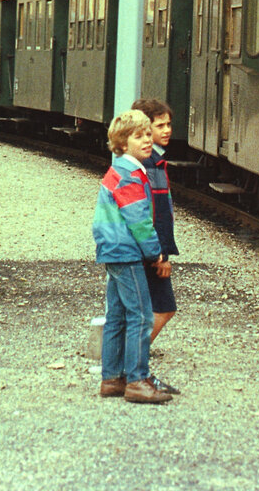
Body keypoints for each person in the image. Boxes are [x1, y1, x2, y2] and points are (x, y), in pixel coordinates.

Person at [92, 109, 173, 404]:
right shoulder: (130, 176)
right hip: (126, 253)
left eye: (148, 134)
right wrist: (156, 252)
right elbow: (139, 221)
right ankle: (137, 380)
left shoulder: (118, 172)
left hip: (112, 251)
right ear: (123, 143)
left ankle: (111, 378)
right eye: (139, 136)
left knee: (116, 316)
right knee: (140, 315)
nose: (147, 140)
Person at [132, 96, 181, 396]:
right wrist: (160, 254)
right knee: (163, 309)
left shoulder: (154, 161)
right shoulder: (150, 164)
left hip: (147, 250)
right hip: (151, 253)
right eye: (159, 125)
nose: (167, 130)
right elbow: (154, 215)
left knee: (148, 310)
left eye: (168, 124)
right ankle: (135, 368)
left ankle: (132, 366)